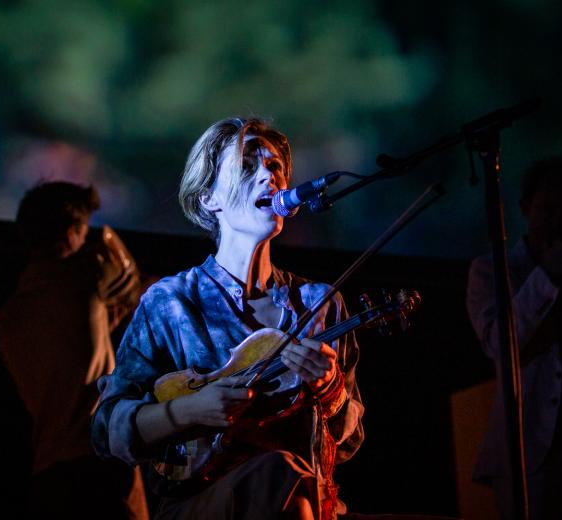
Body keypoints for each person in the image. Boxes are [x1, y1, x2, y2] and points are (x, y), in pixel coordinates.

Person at [92, 117, 364, 520]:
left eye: (275, 168)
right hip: (197, 505)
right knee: (276, 471)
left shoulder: (319, 304)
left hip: (307, 504)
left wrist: (330, 389)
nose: (268, 177)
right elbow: (107, 431)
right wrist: (189, 411)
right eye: (249, 165)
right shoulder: (171, 303)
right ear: (208, 199)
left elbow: (348, 443)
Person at [466, 157, 562, 520]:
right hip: (530, 450)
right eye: (547, 209)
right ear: (525, 208)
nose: (558, 223)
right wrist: (547, 277)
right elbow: (498, 345)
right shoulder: (491, 270)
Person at [0, 181, 148, 520]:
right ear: (70, 234)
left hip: (47, 472)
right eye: (83, 232)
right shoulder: (88, 277)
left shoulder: (9, 317)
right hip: (99, 461)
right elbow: (135, 284)